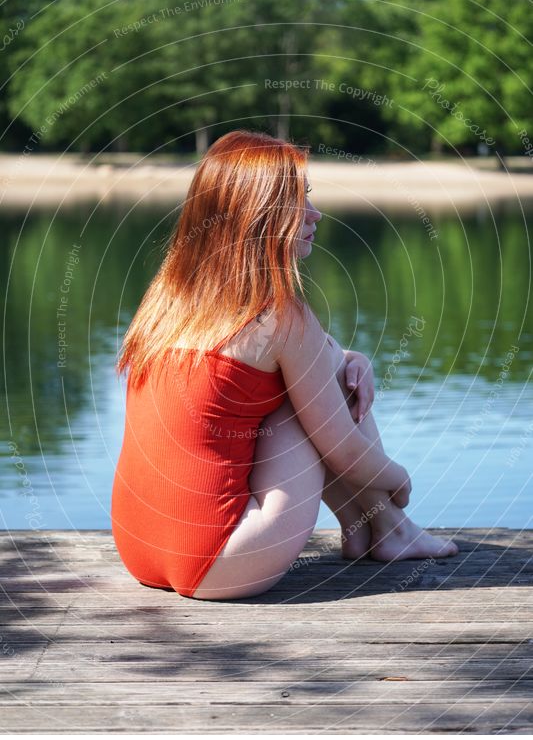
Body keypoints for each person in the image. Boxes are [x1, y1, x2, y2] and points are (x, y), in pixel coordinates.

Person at [112, 129, 458, 601]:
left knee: (322, 377)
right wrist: (399, 479)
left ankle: (370, 531)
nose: (315, 214)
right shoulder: (280, 315)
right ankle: (392, 528)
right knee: (319, 394)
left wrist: (346, 359)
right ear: (256, 216)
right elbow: (347, 456)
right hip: (222, 562)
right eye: (296, 203)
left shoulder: (166, 303)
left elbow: (290, 364)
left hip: (138, 551)